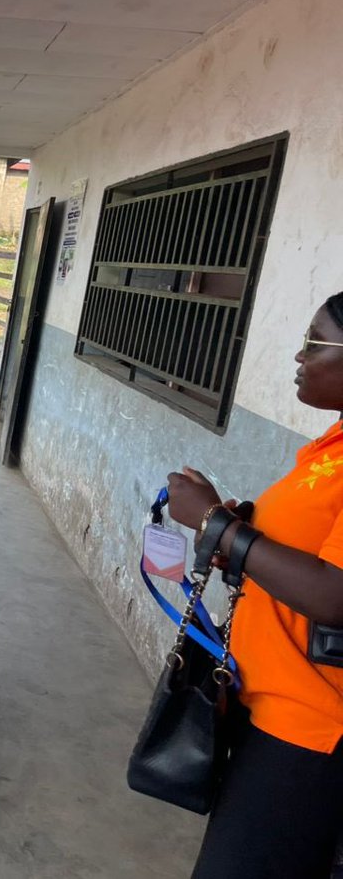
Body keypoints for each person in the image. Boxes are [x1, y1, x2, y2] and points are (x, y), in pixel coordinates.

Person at [164, 293, 343, 879]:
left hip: (313, 729)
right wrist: (236, 526)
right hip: (270, 703)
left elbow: (334, 596)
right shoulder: (331, 447)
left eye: (315, 343)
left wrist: (219, 527)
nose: (298, 354)